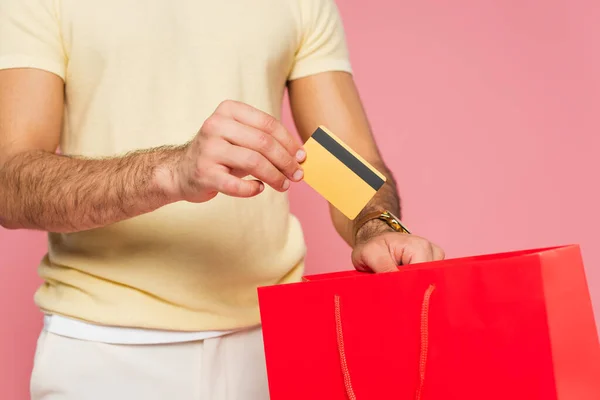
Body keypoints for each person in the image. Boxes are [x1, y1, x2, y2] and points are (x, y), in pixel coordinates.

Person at [0, 0, 445, 398]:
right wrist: (171, 170)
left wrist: (376, 226)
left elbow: (345, 159)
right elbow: (9, 181)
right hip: (104, 352)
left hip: (272, 348)